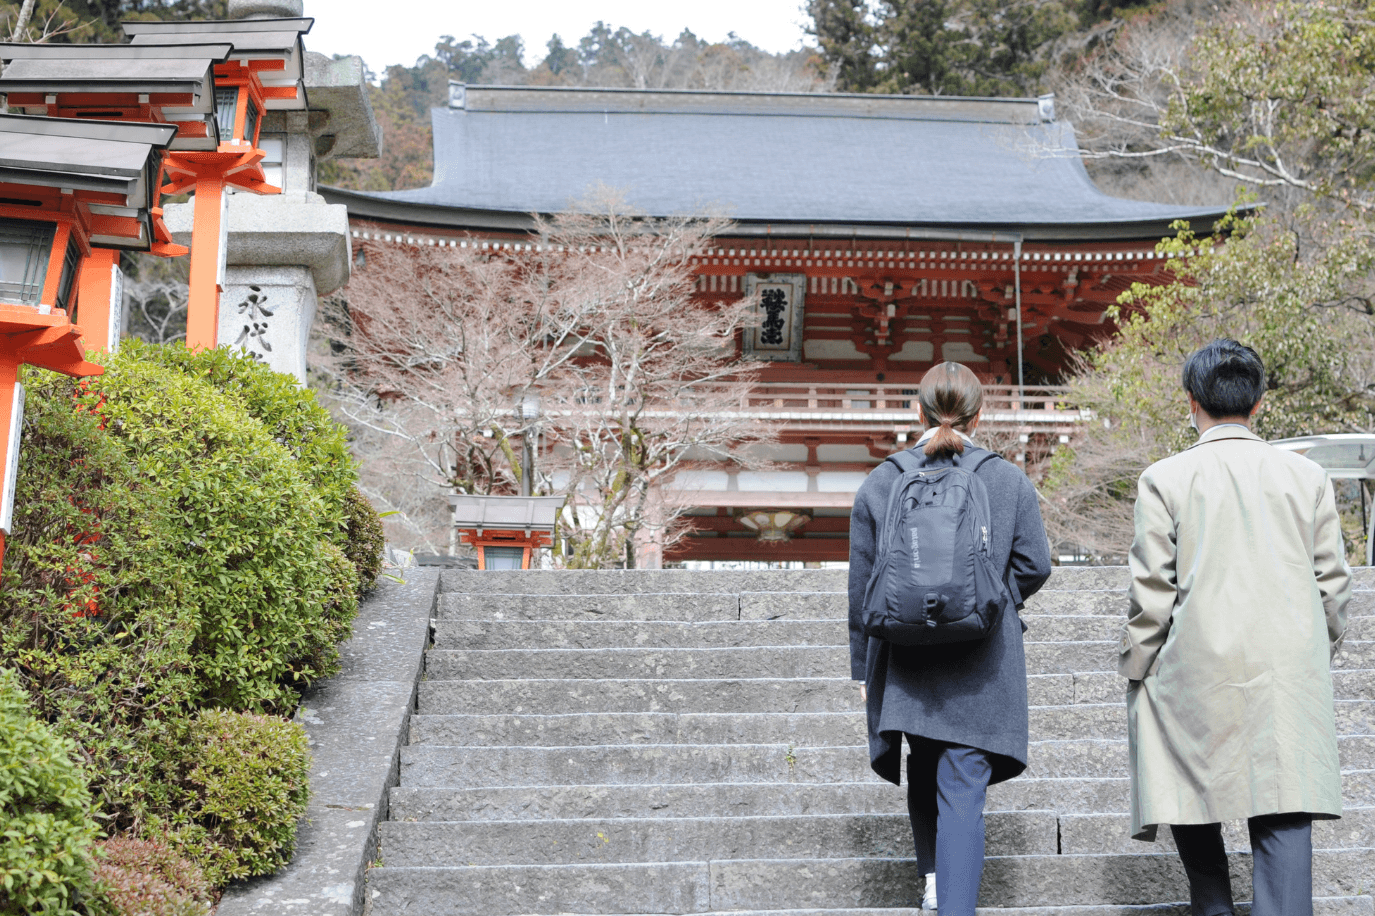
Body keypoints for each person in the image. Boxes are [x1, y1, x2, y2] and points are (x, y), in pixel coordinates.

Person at [1122, 338, 1351, 916]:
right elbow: (1333, 584)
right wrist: (1312, 648)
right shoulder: (1306, 476)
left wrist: (1136, 664)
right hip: (1284, 669)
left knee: (1180, 781)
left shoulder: (1164, 478)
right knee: (1282, 806)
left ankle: (1214, 905)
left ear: (1192, 402)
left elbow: (1152, 593)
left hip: (1197, 667)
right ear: (1259, 404)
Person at [848, 361, 1052, 914]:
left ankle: (937, 883)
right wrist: (988, 597)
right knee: (963, 782)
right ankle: (954, 903)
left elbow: (862, 584)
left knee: (924, 764)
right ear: (979, 416)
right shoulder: (1005, 478)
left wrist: (861, 672)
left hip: (906, 661)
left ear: (918, 411)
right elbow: (1036, 563)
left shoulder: (883, 480)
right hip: (982, 663)